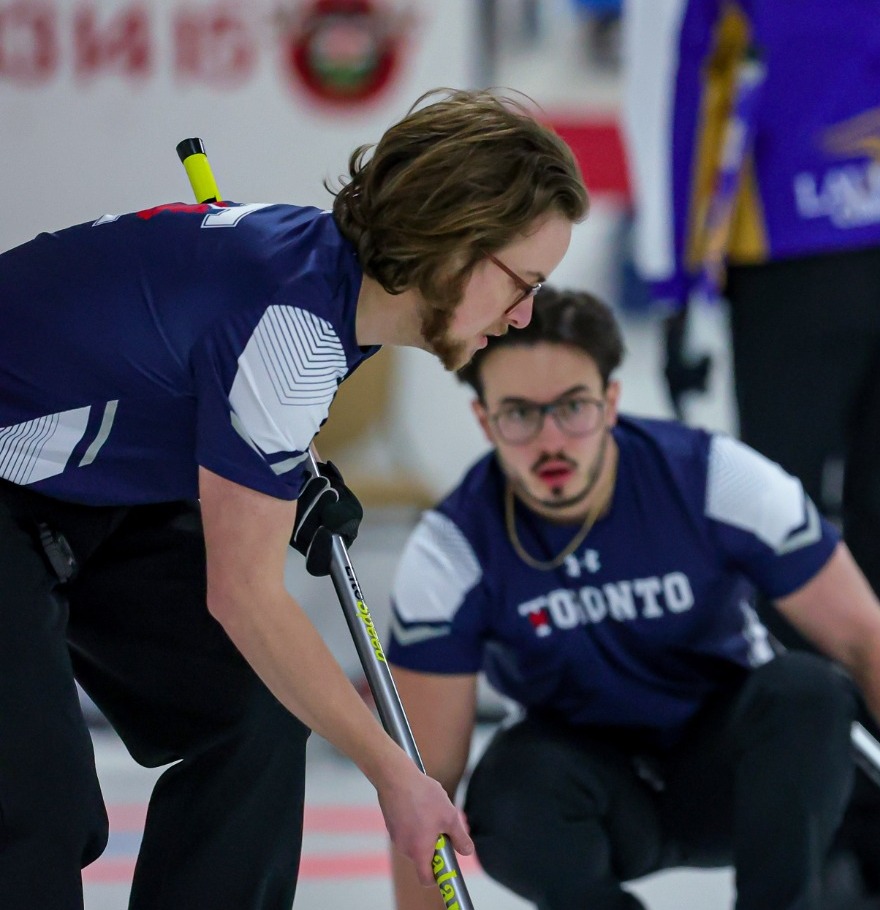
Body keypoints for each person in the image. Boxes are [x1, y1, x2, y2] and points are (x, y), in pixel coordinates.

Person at [0, 89, 587, 909]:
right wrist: (395, 776)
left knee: (252, 706)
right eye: (521, 283)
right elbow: (244, 595)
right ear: (453, 242)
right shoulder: (296, 330)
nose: (523, 315)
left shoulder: (319, 275)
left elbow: (198, 385)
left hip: (92, 487)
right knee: (33, 803)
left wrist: (278, 471)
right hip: (20, 483)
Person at [384, 287, 880, 910]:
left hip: (729, 775)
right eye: (520, 415)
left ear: (611, 402)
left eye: (573, 407)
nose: (550, 440)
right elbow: (425, 789)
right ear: (485, 420)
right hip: (588, 786)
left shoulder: (717, 479)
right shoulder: (451, 550)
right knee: (506, 795)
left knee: (809, 692)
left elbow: (865, 640)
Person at [621, 4, 880, 899]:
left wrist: (676, 281)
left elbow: (691, 89)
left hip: (795, 245)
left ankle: (817, 828)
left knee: (785, 546)